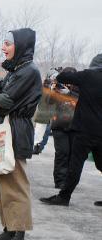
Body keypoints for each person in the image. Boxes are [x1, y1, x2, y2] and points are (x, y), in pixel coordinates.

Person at [0, 29, 42, 240]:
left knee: (16, 185)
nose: (3, 48)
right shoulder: (15, 70)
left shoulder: (28, 71)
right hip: (4, 128)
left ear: (21, 46)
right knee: (2, 183)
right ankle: (8, 229)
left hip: (16, 130)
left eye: (8, 43)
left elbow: (5, 100)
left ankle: (19, 237)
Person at [40, 53, 102, 207]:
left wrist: (56, 72)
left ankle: (64, 197)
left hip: (84, 130)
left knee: (75, 165)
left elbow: (63, 77)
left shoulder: (88, 75)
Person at [48, 69, 78, 189]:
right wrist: (51, 91)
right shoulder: (57, 87)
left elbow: (84, 101)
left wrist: (69, 93)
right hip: (59, 126)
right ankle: (60, 181)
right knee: (62, 153)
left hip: (75, 126)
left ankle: (69, 181)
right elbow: (48, 103)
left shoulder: (80, 88)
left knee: (72, 154)